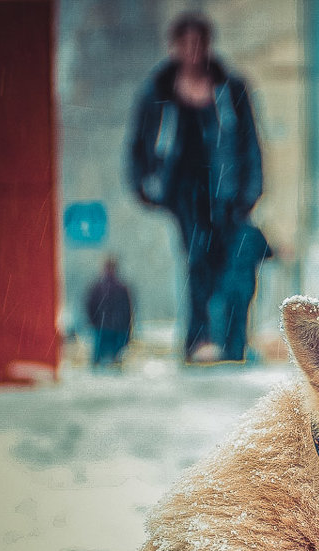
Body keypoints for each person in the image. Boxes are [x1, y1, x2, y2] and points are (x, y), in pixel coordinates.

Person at [127, 12, 265, 364]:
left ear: (207, 46)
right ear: (174, 47)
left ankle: (228, 340)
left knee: (228, 264)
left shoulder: (229, 89)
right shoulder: (158, 91)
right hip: (182, 191)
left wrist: (250, 190)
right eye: (185, 44)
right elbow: (139, 143)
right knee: (196, 259)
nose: (192, 51)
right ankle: (198, 338)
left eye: (198, 43)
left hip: (225, 191)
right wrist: (143, 184)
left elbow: (249, 142)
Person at [84, 255, 134, 369]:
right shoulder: (122, 288)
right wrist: (127, 329)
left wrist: (93, 322)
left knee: (98, 362)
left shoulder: (97, 287)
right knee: (115, 360)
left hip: (101, 328)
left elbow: (90, 307)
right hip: (117, 328)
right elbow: (128, 311)